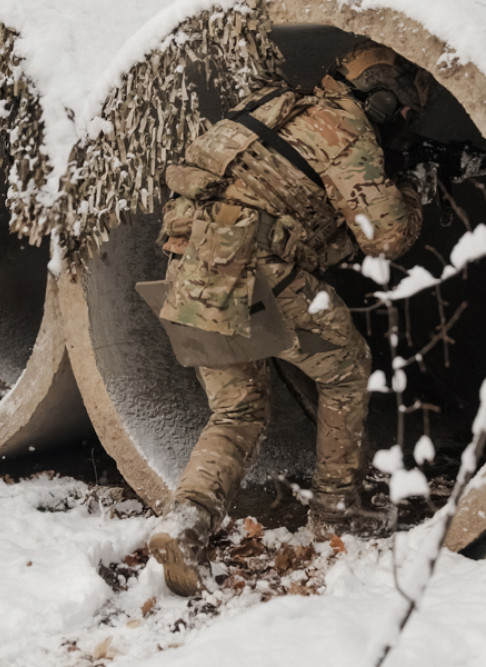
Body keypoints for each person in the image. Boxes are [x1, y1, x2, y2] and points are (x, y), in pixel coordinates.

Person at [147, 41, 431, 597]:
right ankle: (335, 511)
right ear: (379, 98)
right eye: (400, 112)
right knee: (346, 370)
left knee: (237, 409)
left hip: (187, 272)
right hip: (258, 274)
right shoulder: (346, 131)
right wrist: (414, 190)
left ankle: (185, 523)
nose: (397, 123)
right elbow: (386, 235)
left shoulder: (270, 105)